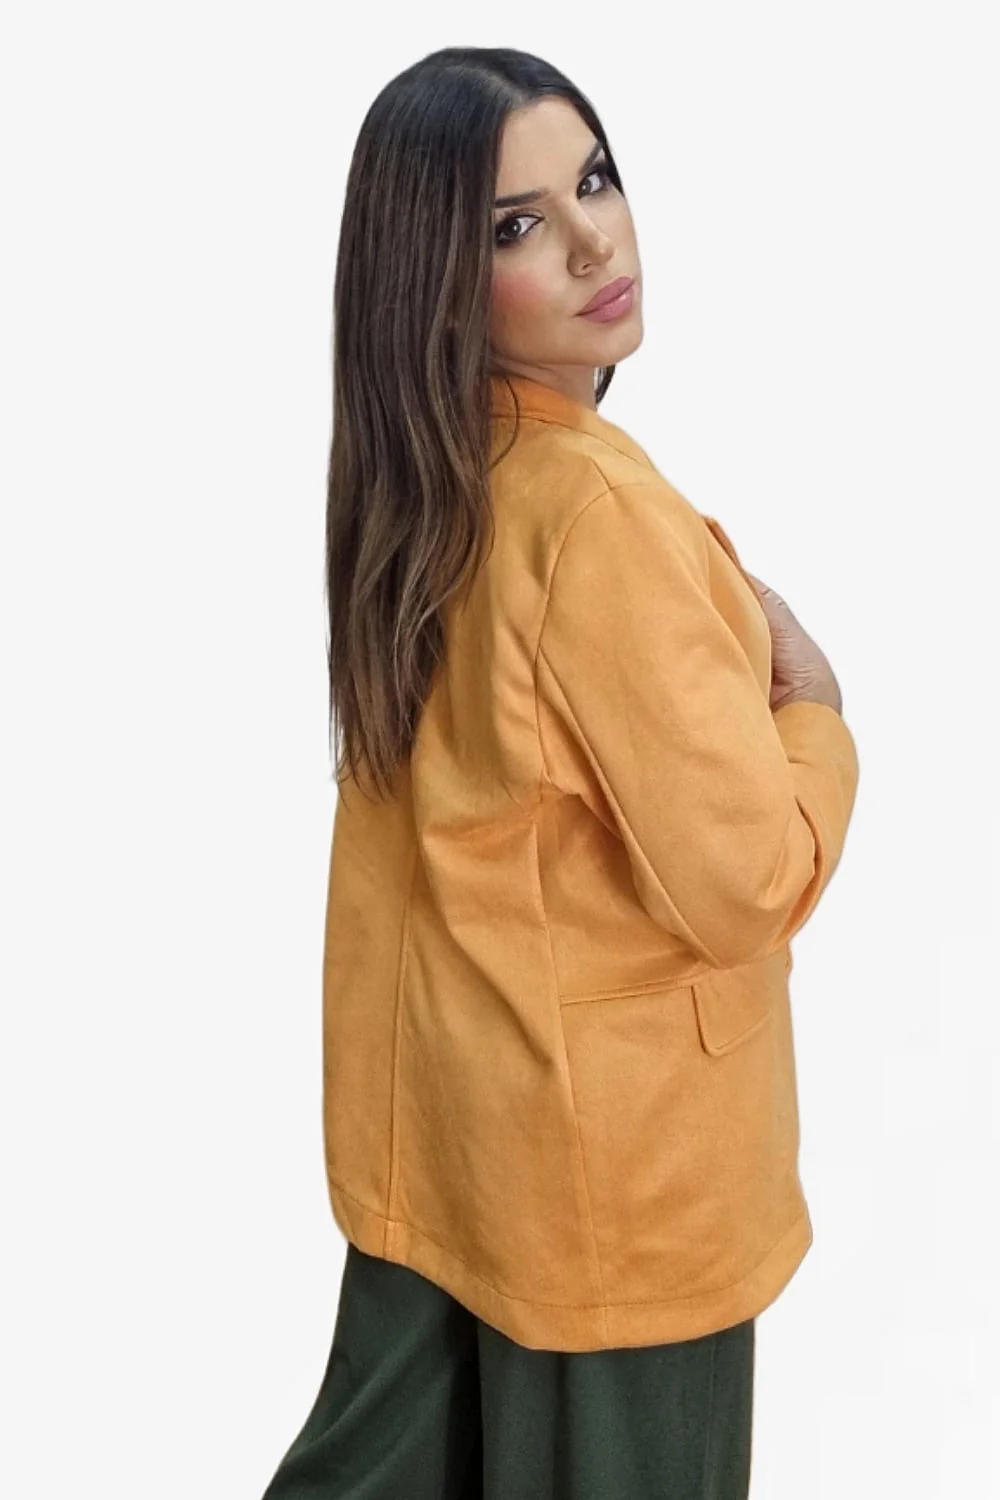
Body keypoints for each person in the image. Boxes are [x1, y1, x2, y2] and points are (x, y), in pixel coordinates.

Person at [259, 44, 859, 1500]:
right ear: (437, 285)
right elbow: (746, 881)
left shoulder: (419, 489)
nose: (595, 241)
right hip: (622, 1200)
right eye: (517, 224)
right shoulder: (593, 517)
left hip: (455, 1151)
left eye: (596, 180)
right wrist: (820, 720)